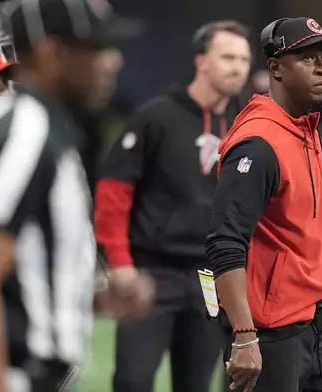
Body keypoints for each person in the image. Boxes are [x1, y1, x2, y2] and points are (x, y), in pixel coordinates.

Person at [0, 0, 152, 390]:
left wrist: (83, 296)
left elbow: (16, 272)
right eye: (95, 49)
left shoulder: (47, 124)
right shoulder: (24, 129)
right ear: (53, 53)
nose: (112, 62)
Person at [94, 20, 251, 392]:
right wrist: (119, 262)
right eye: (227, 56)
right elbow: (113, 193)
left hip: (211, 278)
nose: (238, 67)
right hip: (151, 273)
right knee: (132, 381)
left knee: (196, 383)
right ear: (201, 61)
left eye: (244, 59)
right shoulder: (156, 117)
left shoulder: (247, 125)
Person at [205, 17, 322, 392]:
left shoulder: (308, 129)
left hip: (316, 326)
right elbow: (226, 242)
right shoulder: (259, 143)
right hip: (270, 337)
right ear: (275, 68)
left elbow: (306, 238)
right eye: (307, 58)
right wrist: (243, 335)